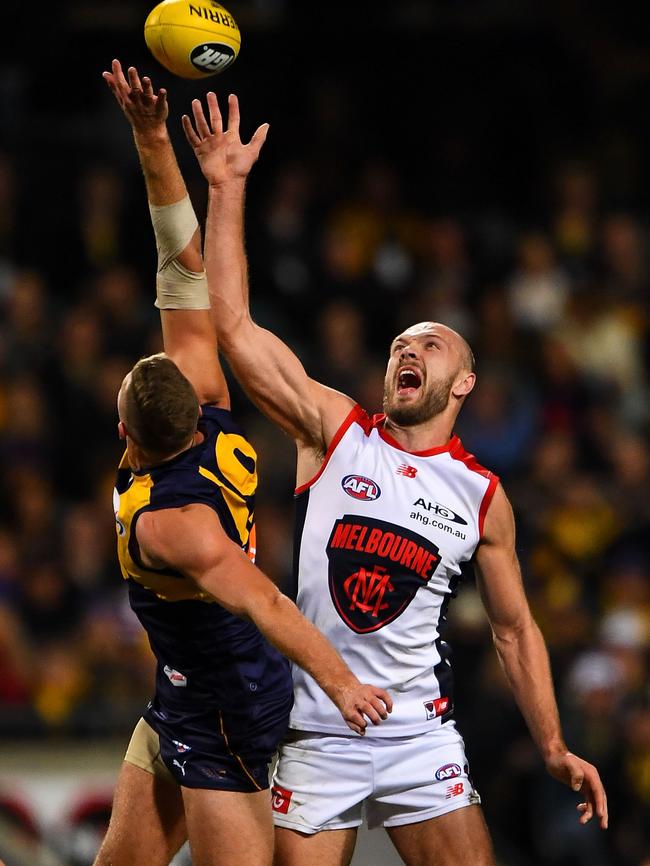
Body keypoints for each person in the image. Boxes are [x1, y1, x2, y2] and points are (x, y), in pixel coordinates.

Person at [182, 92, 609, 866]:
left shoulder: (483, 495)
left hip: (420, 735)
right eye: (399, 345)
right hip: (318, 729)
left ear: (466, 383)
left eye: (432, 345)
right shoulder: (335, 429)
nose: (408, 350)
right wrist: (225, 187)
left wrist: (552, 743)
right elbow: (234, 327)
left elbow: (514, 631)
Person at [95, 61, 391, 866]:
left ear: (126, 429)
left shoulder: (172, 526)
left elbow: (265, 602)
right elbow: (180, 263)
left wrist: (341, 685)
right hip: (182, 690)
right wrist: (151, 138)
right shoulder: (206, 401)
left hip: (227, 709)